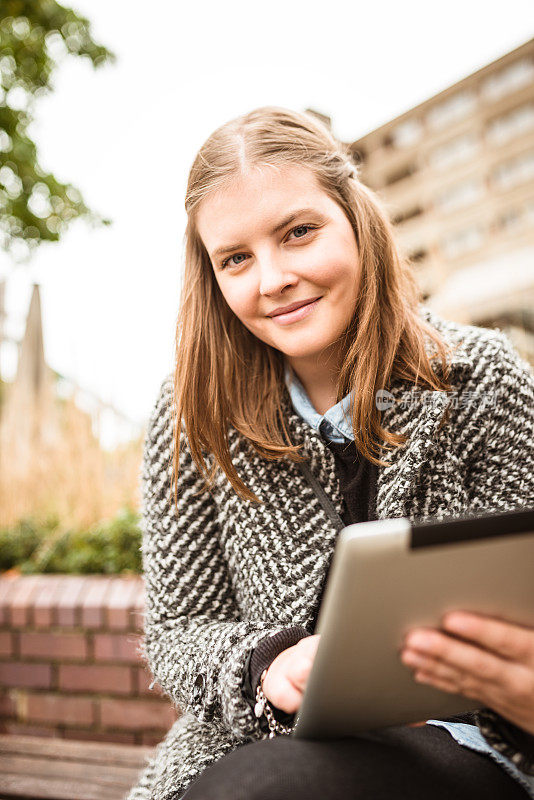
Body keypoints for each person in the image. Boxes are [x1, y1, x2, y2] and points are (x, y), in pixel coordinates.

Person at [126, 107, 534, 800]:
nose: (273, 277)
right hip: (259, 742)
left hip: (468, 743)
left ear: (356, 221)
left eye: (299, 232)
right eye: (236, 259)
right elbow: (178, 632)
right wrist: (265, 666)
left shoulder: (484, 379)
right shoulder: (192, 411)